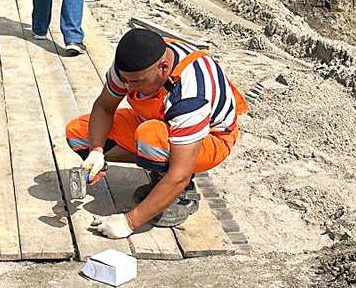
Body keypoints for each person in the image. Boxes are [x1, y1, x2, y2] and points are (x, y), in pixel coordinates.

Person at [65, 28, 249, 238]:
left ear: (163, 68)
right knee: (80, 134)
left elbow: (180, 174)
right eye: (125, 80)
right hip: (158, 122)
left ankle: (181, 194)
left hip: (211, 138)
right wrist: (96, 152)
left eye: (137, 82)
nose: (129, 87)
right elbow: (104, 107)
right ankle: (158, 171)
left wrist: (128, 222)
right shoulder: (131, 69)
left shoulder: (192, 92)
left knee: (151, 138)